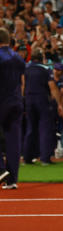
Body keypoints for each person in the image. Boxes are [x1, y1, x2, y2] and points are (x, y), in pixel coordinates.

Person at [23, 49, 61, 165]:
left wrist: (23, 101)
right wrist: (59, 103)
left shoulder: (26, 69)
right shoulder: (46, 69)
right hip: (42, 99)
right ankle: (45, 158)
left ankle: (27, 158)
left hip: (29, 99)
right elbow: (52, 87)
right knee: (45, 128)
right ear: (41, 58)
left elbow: (23, 86)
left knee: (30, 129)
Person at [0, 27, 25, 189]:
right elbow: (22, 82)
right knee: (13, 140)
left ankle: (1, 170)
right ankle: (12, 179)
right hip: (16, 101)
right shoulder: (18, 58)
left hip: (1, 101)